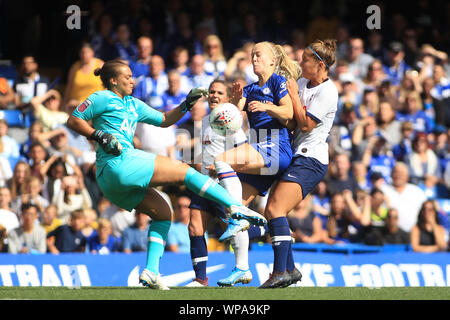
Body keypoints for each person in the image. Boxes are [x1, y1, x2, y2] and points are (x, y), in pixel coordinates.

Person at [66, 59, 266, 290]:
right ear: (113, 80)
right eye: (127, 77)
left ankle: (151, 271)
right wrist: (98, 135)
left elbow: (163, 120)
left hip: (111, 183)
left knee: (163, 213)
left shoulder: (133, 103)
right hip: (118, 162)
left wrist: (186, 104)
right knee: (183, 171)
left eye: (132, 76)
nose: (133, 80)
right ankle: (235, 207)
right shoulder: (101, 97)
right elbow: (73, 119)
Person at [259, 39, 338, 288]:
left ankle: (280, 271)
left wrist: (292, 95)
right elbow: (294, 122)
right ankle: (290, 269)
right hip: (297, 155)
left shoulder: (328, 91)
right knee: (272, 209)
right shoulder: (303, 82)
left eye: (305, 59)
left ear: (320, 64)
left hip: (312, 159)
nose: (301, 63)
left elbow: (305, 125)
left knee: (274, 209)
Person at [185, 79, 254, 287]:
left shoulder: (230, 120)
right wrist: (196, 165)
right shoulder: (206, 121)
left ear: (227, 98)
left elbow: (243, 153)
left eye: (219, 93)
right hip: (203, 183)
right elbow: (205, 151)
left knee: (234, 229)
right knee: (194, 227)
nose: (214, 95)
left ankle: (245, 264)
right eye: (211, 92)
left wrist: (223, 164)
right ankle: (200, 279)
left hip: (223, 185)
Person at [381, 162, 427, 232]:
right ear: (391, 174)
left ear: (407, 176)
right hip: (388, 233)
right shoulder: (382, 190)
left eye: (401, 173)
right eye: (396, 172)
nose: (398, 175)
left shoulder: (417, 191)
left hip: (413, 233)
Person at [62, 43, 104, 110]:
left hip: (94, 106)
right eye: (82, 52)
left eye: (87, 52)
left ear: (92, 52)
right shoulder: (75, 67)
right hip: (75, 106)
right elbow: (69, 87)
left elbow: (107, 86)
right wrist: (63, 105)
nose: (84, 55)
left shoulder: (100, 65)